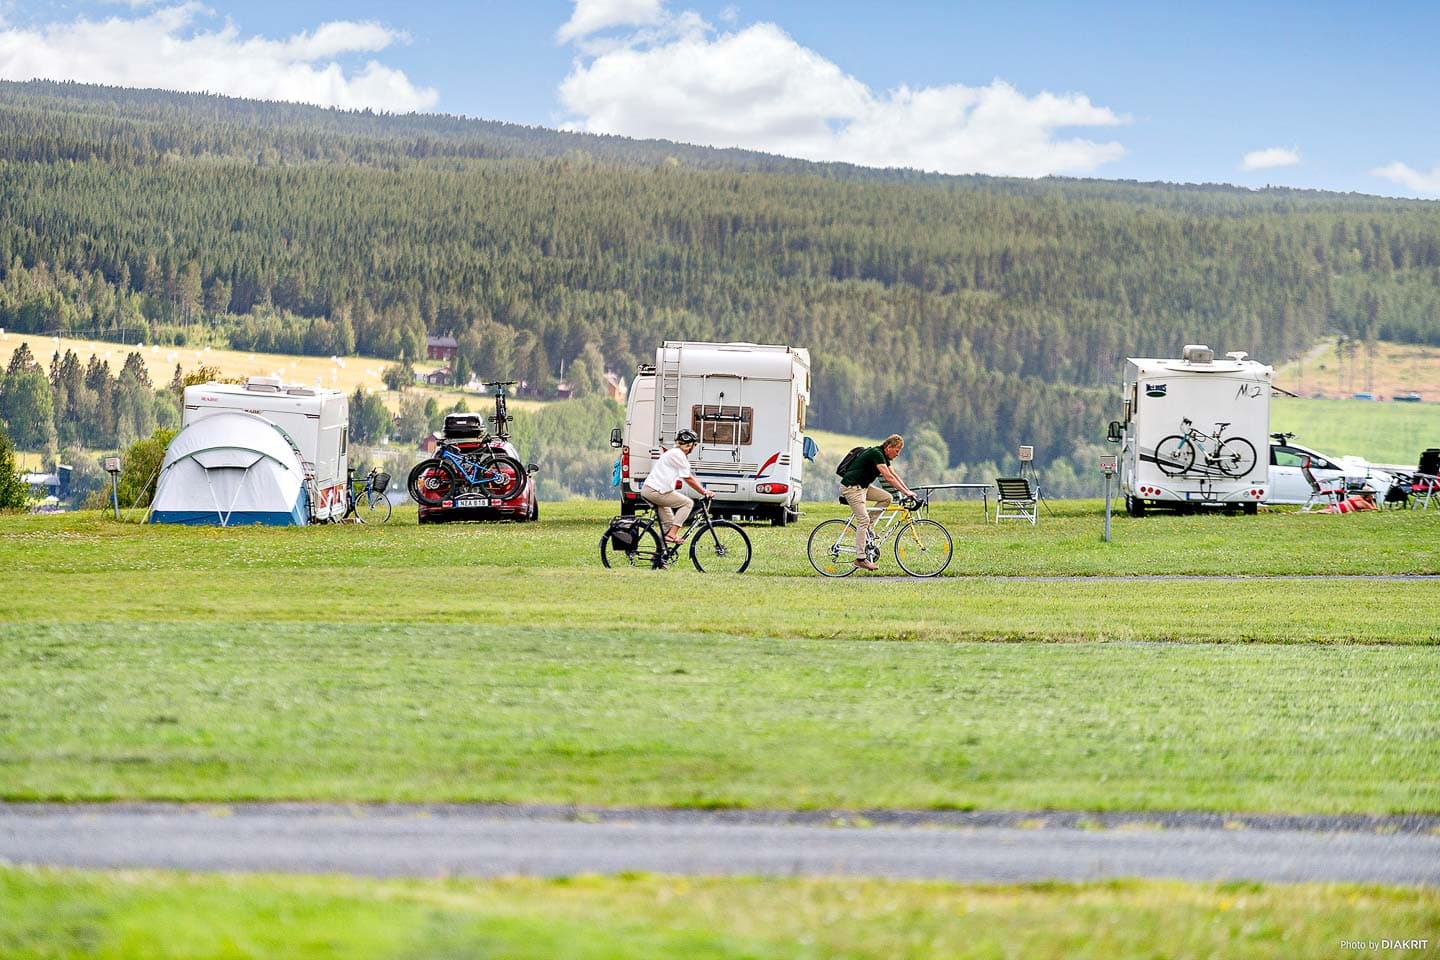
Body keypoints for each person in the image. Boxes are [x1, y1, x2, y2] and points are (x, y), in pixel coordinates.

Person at [838, 434, 918, 570]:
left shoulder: (883, 457)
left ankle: (869, 526)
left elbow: (894, 476)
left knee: (886, 498)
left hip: (863, 487)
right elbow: (888, 477)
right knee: (862, 520)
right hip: (852, 488)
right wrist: (906, 493)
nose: (898, 454)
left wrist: (908, 491)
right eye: (897, 450)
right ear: (888, 447)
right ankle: (860, 558)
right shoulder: (876, 453)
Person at [642, 428, 713, 543]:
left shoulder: (674, 453)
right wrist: (704, 491)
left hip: (655, 490)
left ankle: (658, 557)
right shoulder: (678, 455)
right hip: (655, 491)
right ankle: (672, 535)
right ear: (691, 445)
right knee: (688, 503)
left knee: (668, 524)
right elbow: (688, 477)